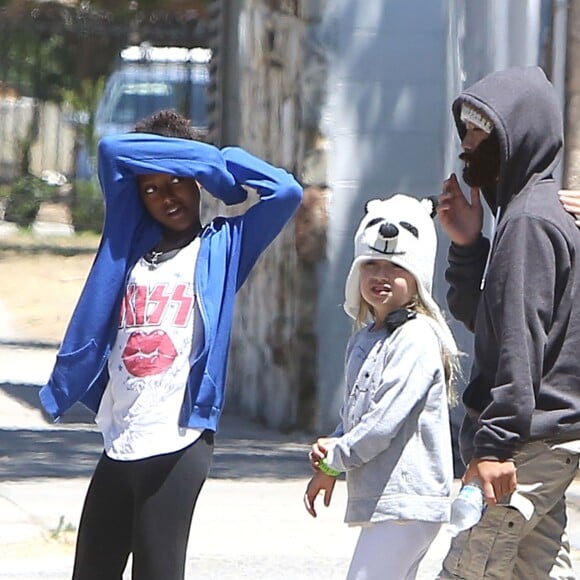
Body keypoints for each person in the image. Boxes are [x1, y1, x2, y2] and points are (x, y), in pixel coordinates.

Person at [39, 110, 302, 580]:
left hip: (178, 443)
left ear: (197, 181)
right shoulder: (127, 243)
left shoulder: (222, 247)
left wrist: (218, 165)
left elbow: (286, 191)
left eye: (177, 181)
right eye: (151, 188)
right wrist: (189, 162)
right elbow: (111, 152)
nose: (166, 197)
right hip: (120, 441)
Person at [437, 66, 580, 579]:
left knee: (468, 571)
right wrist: (467, 246)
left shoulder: (529, 222)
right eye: (467, 132)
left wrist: (493, 447)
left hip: (522, 451)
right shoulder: (527, 217)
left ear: (517, 136)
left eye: (482, 132)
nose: (467, 146)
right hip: (542, 447)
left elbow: (521, 348)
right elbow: (491, 322)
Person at [303, 193, 459, 580]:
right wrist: (330, 462)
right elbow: (356, 414)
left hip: (408, 501)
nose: (380, 276)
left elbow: (384, 421)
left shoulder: (417, 336)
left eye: (394, 266)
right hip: (387, 502)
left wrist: (336, 456)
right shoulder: (365, 337)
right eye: (370, 264)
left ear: (417, 273)